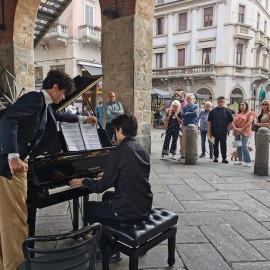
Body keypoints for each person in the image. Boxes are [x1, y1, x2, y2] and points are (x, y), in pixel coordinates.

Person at [0, 70, 97, 270]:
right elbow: (9, 120)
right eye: (63, 93)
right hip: (13, 167)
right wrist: (13, 156)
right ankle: (16, 265)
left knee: (8, 218)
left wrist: (82, 119)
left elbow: (59, 115)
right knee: (16, 220)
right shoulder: (35, 99)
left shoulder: (45, 105)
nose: (63, 98)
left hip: (17, 163)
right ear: (54, 88)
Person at [69, 113, 153, 262]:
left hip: (129, 209)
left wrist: (83, 180)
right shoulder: (141, 149)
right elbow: (131, 176)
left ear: (120, 130)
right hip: (144, 204)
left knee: (89, 208)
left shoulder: (118, 151)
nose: (115, 133)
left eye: (116, 130)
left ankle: (110, 252)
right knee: (107, 197)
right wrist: (108, 175)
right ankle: (110, 236)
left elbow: (100, 187)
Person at [208, 96, 233, 163]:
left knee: (223, 145)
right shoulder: (213, 111)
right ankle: (216, 157)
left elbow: (231, 120)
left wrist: (228, 128)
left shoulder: (227, 111)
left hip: (223, 131)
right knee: (215, 144)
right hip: (214, 131)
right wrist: (209, 131)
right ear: (217, 102)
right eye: (219, 101)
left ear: (224, 102)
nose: (221, 103)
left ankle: (224, 158)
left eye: (222, 101)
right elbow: (209, 121)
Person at [232, 101, 254, 167]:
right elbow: (232, 122)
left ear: (246, 105)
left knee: (244, 146)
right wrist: (235, 128)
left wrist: (241, 129)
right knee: (238, 145)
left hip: (245, 131)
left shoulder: (250, 113)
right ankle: (240, 160)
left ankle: (248, 161)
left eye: (243, 104)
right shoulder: (237, 113)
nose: (241, 106)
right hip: (237, 131)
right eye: (240, 105)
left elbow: (249, 122)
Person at [179, 93, 199, 160]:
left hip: (194, 125)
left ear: (193, 99)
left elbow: (195, 114)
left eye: (190, 98)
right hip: (185, 125)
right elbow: (182, 115)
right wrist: (191, 113)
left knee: (195, 140)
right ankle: (183, 154)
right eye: (187, 98)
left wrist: (187, 113)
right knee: (184, 140)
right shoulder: (184, 107)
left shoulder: (196, 106)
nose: (189, 100)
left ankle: (195, 154)